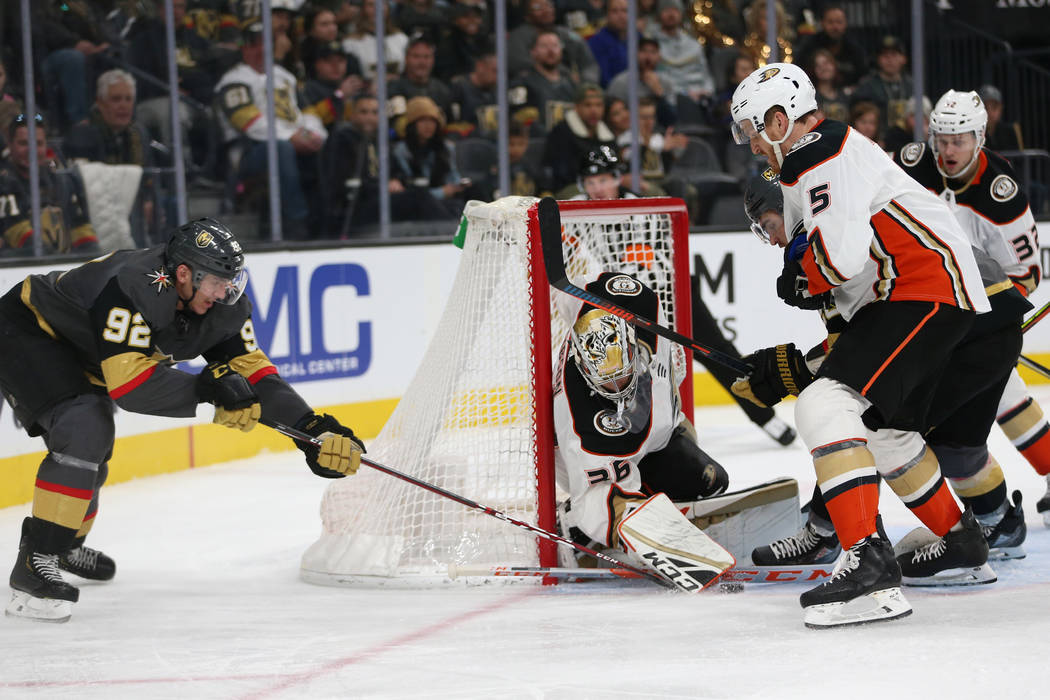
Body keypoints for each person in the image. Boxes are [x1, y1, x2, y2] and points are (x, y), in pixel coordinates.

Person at [729, 62, 993, 627]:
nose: (752, 144)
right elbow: (847, 314)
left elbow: (838, 262)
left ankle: (867, 567)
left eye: (753, 129)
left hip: (926, 286)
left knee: (824, 405)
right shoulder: (821, 159)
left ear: (779, 120)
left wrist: (801, 275)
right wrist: (795, 350)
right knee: (884, 431)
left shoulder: (814, 153)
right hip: (926, 291)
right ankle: (960, 539)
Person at [1, 218, 364, 622]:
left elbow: (255, 376)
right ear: (184, 274)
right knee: (86, 425)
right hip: (29, 329)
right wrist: (210, 389)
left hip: (83, 351)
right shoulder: (134, 284)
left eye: (231, 281)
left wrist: (311, 430)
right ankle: (37, 562)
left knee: (93, 438)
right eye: (216, 282)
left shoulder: (219, 304)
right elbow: (132, 385)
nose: (226, 292)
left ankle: (64, 544)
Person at [894, 89, 1046, 533]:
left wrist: (983, 321)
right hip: (929, 308)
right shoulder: (910, 163)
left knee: (995, 401)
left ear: (980, 136)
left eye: (959, 140)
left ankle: (992, 516)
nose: (947, 151)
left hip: (975, 318)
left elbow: (1027, 275)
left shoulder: (1001, 192)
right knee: (1007, 397)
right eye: (941, 139)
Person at [552, 271, 733, 590]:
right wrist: (628, 520)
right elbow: (600, 492)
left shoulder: (613, 307)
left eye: (621, 377)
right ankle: (573, 528)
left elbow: (598, 287)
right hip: (596, 463)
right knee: (611, 501)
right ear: (582, 365)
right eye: (606, 384)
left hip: (650, 437)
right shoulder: (583, 421)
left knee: (709, 479)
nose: (616, 388)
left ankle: (655, 503)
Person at [215, 22, 327, 238]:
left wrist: (314, 134)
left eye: (265, 44)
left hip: (294, 141)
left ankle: (328, 217)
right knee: (281, 149)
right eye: (253, 45)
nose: (261, 50)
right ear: (244, 49)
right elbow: (248, 122)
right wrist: (291, 136)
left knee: (328, 145)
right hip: (249, 151)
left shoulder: (285, 76)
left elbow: (307, 111)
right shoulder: (234, 80)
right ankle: (297, 222)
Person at [64, 69, 156, 243]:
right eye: (116, 99)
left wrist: (148, 200)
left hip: (134, 216)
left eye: (128, 99)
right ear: (100, 103)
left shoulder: (139, 134)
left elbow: (148, 177)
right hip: (92, 219)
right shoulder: (82, 134)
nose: (124, 105)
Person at [0, 113, 100, 256]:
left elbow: (83, 233)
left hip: (62, 270)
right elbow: (24, 238)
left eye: (38, 143)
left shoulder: (64, 182)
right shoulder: (4, 183)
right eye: (23, 143)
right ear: (9, 144)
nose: (32, 150)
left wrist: (92, 260)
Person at [542, 84, 616, 196]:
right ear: (576, 107)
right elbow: (561, 174)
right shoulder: (562, 133)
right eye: (588, 105)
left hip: (603, 186)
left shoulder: (608, 134)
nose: (594, 110)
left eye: (598, 105)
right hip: (571, 187)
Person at [509, 29, 579, 135]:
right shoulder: (520, 83)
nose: (551, 51)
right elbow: (515, 118)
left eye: (555, 46)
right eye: (544, 46)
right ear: (533, 52)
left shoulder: (571, 83)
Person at [852, 35, 913, 139]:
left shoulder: (912, 85)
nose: (889, 60)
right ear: (878, 59)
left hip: (909, 139)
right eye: (885, 55)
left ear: (904, 59)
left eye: (894, 55)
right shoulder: (866, 86)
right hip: (878, 141)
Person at [794, 4, 867, 88]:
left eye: (839, 22)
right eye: (830, 22)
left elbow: (863, 77)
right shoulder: (809, 47)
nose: (835, 27)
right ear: (822, 23)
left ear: (845, 24)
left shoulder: (854, 49)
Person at [586, 0, 629, 87]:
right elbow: (604, 80)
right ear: (606, 15)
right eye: (615, 11)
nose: (621, 16)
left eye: (625, 11)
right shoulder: (596, 42)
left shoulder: (638, 38)